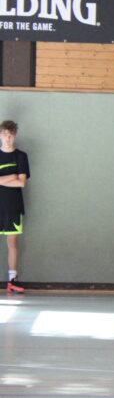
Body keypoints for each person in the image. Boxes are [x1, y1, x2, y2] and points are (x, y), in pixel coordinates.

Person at [0, 120, 29, 294]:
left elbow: (21, 182)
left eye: (11, 135)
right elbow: (16, 179)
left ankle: (12, 280)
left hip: (13, 207)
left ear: (15, 136)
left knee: (12, 242)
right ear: (0, 135)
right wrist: (12, 176)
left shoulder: (21, 156)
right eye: (5, 134)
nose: (8, 138)